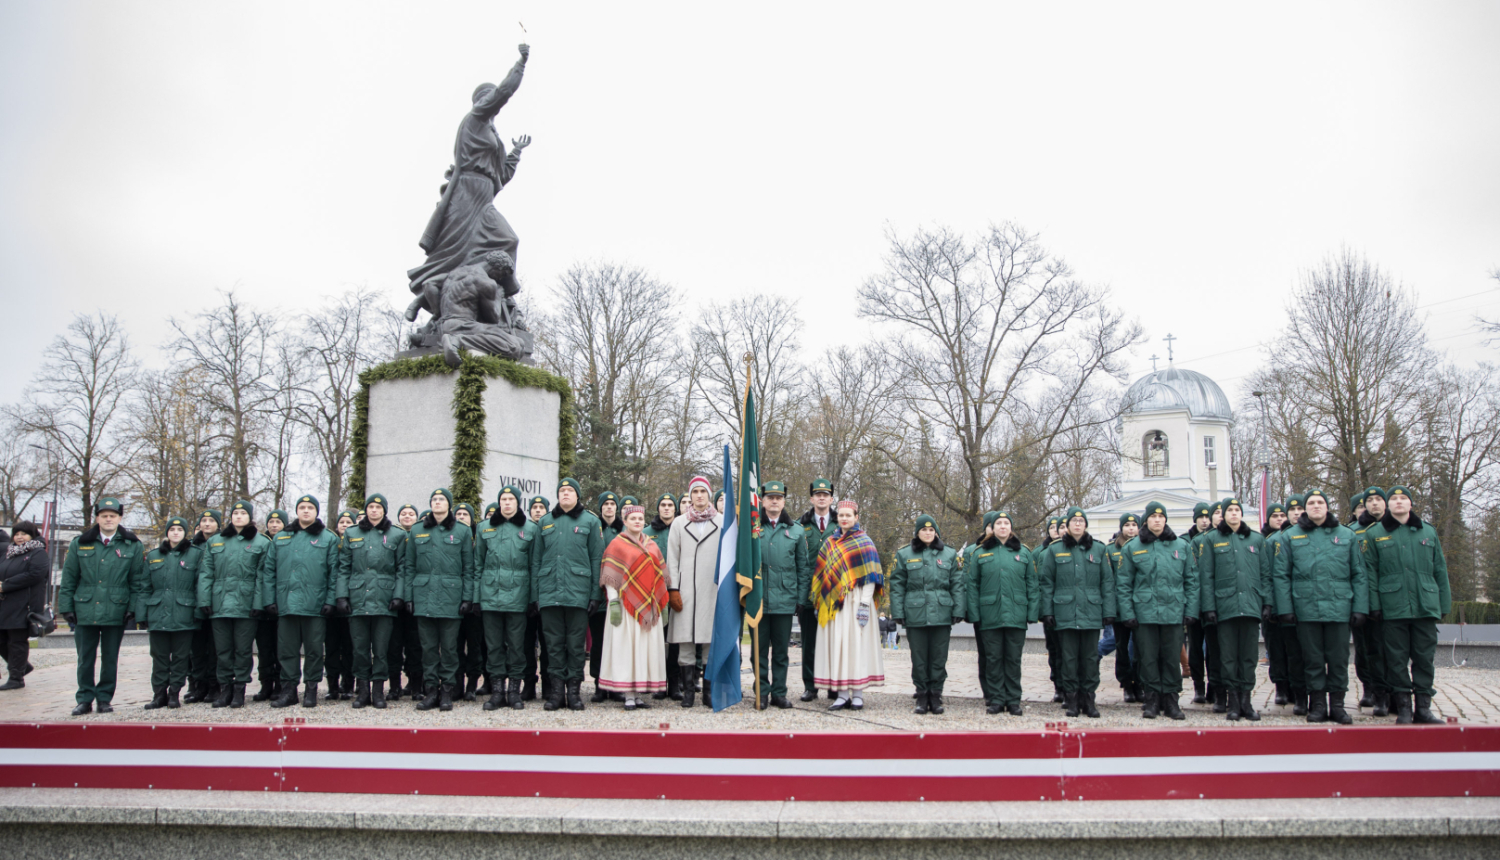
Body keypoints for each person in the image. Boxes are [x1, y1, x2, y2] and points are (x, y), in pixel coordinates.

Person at [1273, 489, 1368, 725]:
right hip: (1306, 608)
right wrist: (1285, 608)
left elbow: (1359, 574)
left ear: (1327, 507)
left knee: (1338, 659)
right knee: (1312, 659)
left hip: (1339, 607)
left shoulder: (1346, 535)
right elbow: (1282, 575)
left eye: (1320, 502)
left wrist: (1360, 607)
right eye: (1312, 503)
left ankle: (1337, 706)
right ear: (1306, 508)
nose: (1316, 506)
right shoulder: (1290, 536)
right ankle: (1316, 705)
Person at [1363, 485, 1450, 725]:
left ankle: (1423, 708)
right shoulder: (1375, 533)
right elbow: (1371, 572)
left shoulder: (1428, 532)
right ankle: (1403, 708)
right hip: (1393, 607)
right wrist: (1375, 605)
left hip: (1425, 605)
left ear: (1411, 504)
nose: (1399, 502)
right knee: (1396, 659)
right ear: (1388, 505)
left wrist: (1443, 603)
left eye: (1404, 498)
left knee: (1424, 659)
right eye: (1394, 499)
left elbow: (1440, 569)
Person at [58, 496, 146, 716]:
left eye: (112, 516)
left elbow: (136, 581)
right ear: (97, 518)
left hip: (116, 609)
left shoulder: (133, 545)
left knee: (110, 658)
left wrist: (132, 608)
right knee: (85, 658)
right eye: (104, 515)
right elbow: (69, 578)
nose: (108, 519)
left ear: (119, 518)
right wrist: (66, 607)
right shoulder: (80, 543)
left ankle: (104, 698)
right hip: (85, 609)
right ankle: (84, 699)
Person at [1115, 500, 1198, 721]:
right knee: (1148, 658)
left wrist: (1190, 610)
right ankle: (1151, 700)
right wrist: (1128, 613)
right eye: (1153, 516)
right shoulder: (1132, 547)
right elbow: (1124, 584)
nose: (1158, 520)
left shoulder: (1181, 546)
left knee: (1171, 658)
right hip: (1145, 613)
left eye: (1161, 517)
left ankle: (1171, 701)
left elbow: (1191, 581)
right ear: (1146, 520)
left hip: (1173, 612)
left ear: (1166, 520)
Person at [1038, 507, 1116, 719]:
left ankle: (1088, 700)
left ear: (1086, 525)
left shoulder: (1099, 550)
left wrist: (1109, 611)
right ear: (1068, 525)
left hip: (1091, 612)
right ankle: (1071, 700)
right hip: (1065, 612)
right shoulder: (1055, 550)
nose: (1078, 524)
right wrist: (1047, 611)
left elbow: (1107, 582)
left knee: (1090, 658)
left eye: (1082, 521)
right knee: (1069, 658)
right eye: (1074, 521)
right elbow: (1047, 583)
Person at [264, 494, 339, 709]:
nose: (306, 511)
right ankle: (288, 691)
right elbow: (269, 571)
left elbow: (334, 573)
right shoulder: (281, 538)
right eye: (302, 507)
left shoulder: (328, 538)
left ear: (317, 512)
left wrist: (330, 600)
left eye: (310, 508)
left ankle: (311, 690)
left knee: (314, 650)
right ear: (296, 511)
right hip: (286, 603)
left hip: (315, 606)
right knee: (287, 650)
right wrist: (270, 599)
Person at [405, 487, 476, 712]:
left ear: (449, 505)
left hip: (450, 598)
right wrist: (409, 596)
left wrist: (467, 597)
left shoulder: (463, 531)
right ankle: (431, 691)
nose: (437, 502)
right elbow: (409, 567)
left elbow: (469, 568)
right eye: (434, 499)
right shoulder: (417, 531)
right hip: (424, 597)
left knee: (449, 649)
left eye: (441, 499)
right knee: (427, 649)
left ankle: (447, 691)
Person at [1198, 498, 1268, 721]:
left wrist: (1267, 603)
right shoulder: (1211, 539)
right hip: (1224, 606)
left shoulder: (1256, 539)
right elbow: (1206, 576)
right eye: (1230, 510)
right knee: (1228, 657)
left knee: (1248, 656)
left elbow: (1266, 574)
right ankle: (1233, 703)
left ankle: (1246, 701)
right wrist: (1209, 607)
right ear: (1223, 515)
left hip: (1250, 606)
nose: (1234, 514)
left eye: (1237, 510)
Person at [536, 478, 604, 711]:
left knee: (576, 645)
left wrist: (595, 594)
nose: (565, 494)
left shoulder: (590, 522)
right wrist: (536, 596)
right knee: (553, 644)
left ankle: (574, 693)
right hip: (549, 592)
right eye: (561, 491)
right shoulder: (545, 521)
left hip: (578, 592)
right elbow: (536, 560)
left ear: (577, 495)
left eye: (569, 491)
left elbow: (597, 559)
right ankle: (556, 693)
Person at [336, 493, 407, 710]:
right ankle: (363, 690)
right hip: (357, 599)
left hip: (384, 600)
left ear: (385, 510)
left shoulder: (396, 535)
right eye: (370, 507)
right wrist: (341, 595)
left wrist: (398, 595)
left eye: (378, 507)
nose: (374, 510)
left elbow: (402, 568)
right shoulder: (351, 533)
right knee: (359, 649)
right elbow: (343, 567)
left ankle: (378, 691)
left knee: (381, 649)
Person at [812, 499, 885, 710]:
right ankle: (842, 695)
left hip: (857, 602)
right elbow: (822, 576)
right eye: (841, 515)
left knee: (857, 647)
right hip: (836, 605)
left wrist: (864, 605)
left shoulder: (865, 542)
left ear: (856, 517)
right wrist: (821, 603)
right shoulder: (830, 543)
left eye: (848, 515)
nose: (844, 518)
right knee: (838, 647)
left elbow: (872, 576)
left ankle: (858, 694)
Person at [197, 501, 270, 708]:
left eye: (243, 513)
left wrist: (258, 603)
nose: (238, 516)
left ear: (250, 517)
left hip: (246, 605)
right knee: (222, 651)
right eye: (235, 513)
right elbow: (206, 573)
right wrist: (204, 600)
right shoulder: (216, 542)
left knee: (243, 650)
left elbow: (261, 576)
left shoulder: (261, 543)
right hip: (219, 604)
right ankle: (225, 689)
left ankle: (239, 690)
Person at [599, 503, 670, 708]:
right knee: (627, 649)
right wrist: (613, 602)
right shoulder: (617, 544)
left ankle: (638, 693)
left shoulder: (652, 545)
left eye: (640, 519)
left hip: (649, 606)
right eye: (633, 519)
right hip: (626, 606)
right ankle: (628, 695)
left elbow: (661, 576)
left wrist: (662, 604)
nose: (637, 522)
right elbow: (610, 576)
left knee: (644, 649)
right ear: (626, 521)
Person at [891, 514, 963, 715]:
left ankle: (936, 694)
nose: (928, 533)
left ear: (936, 532)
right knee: (919, 657)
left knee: (939, 657)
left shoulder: (949, 554)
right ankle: (922, 694)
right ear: (917, 532)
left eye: (931, 530)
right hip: (916, 613)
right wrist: (897, 611)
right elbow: (897, 584)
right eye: (924, 530)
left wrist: (958, 609)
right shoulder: (904, 554)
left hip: (942, 613)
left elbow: (957, 583)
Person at [476, 486, 540, 710]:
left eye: (511, 499)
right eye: (503, 499)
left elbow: (534, 566)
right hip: (490, 596)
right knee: (493, 646)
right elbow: (477, 565)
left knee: (516, 646)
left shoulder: (530, 529)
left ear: (518, 502)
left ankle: (514, 691)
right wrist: (477, 598)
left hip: (518, 596)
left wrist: (533, 599)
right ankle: (497, 692)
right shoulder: (484, 528)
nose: (507, 503)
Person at [967, 511, 1035, 715]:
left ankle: (1013, 700)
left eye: (1006, 523)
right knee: (994, 659)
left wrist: (1032, 613)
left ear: (1011, 527)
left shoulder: (1023, 552)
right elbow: (972, 585)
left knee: (1013, 659)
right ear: (992, 528)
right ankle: (996, 699)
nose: (1003, 526)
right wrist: (974, 614)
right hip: (990, 615)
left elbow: (1032, 583)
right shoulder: (980, 553)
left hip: (1016, 614)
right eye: (999, 523)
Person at [666, 476, 722, 708]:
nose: (699, 495)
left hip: (712, 590)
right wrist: (673, 589)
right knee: (685, 642)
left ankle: (707, 692)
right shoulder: (679, 523)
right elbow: (673, 558)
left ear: (709, 494)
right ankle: (688, 691)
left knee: (710, 643)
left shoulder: (722, 521)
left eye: (703, 491)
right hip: (686, 590)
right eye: (695, 491)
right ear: (690, 495)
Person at [139, 517, 203, 710]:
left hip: (184, 614)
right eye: (172, 529)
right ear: (167, 532)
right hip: (158, 614)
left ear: (186, 533)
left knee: (181, 657)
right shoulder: (153, 556)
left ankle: (174, 693)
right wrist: (142, 615)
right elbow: (144, 587)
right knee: (159, 656)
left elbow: (200, 585)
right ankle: (159, 695)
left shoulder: (195, 555)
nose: (175, 532)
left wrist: (199, 612)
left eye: (180, 529)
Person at [756, 481, 809, 709]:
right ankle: (761, 693)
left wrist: (801, 598)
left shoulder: (796, 530)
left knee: (780, 652)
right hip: (757, 600)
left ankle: (779, 693)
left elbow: (803, 568)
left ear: (784, 501)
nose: (774, 501)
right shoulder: (752, 527)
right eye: (770, 497)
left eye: (779, 497)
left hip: (785, 600)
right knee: (758, 652)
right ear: (763, 501)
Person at [796, 477, 839, 701]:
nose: (821, 498)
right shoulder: (799, 525)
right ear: (811, 498)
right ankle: (810, 686)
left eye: (826, 494)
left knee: (833, 641)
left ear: (831, 499)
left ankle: (833, 685)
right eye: (817, 494)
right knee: (809, 643)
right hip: (808, 593)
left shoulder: (841, 524)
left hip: (834, 593)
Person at [1351, 487, 1391, 716]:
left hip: (1389, 599)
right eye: (1369, 501)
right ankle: (1373, 690)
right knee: (1367, 649)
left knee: (1393, 651)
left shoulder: (1393, 527)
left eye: (1379, 499)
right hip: (1363, 600)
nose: (1374, 504)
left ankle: (1394, 693)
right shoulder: (1352, 532)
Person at [0, 521, 47, 690]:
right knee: (2, 640)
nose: (20, 537)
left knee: (17, 641)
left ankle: (16, 678)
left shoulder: (38, 552)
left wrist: (5, 585)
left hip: (23, 604)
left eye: (24, 534)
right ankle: (22, 667)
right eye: (17, 534)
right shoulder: (9, 553)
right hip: (5, 603)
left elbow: (34, 575)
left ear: (32, 535)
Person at [645, 492, 681, 701]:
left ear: (675, 509)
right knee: (657, 640)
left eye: (670, 505)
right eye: (663, 505)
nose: (666, 508)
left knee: (674, 640)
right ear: (658, 509)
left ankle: (674, 684)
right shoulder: (647, 532)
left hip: (676, 591)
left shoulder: (681, 529)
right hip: (654, 594)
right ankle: (658, 683)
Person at [387, 503, 425, 700]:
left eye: (411, 514)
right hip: (393, 599)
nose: (407, 516)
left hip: (415, 599)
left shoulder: (420, 536)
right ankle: (394, 686)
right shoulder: (391, 535)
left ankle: (416, 684)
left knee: (415, 645)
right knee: (393, 645)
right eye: (403, 513)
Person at [184, 508, 222, 703]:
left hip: (216, 603)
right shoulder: (190, 547)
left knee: (215, 648)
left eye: (211, 520)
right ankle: (198, 686)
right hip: (194, 604)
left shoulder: (223, 543)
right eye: (204, 520)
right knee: (196, 649)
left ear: (218, 524)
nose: (207, 524)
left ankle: (215, 686)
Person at [322, 508, 360, 701]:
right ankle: (332, 686)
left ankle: (348, 684)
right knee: (331, 648)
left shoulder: (357, 543)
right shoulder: (330, 543)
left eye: (348, 522)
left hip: (350, 604)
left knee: (349, 647)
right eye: (342, 522)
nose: (345, 525)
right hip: (331, 605)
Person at [589, 491, 623, 703]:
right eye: (606, 504)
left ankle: (617, 685)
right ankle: (599, 684)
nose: (609, 507)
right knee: (599, 643)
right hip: (598, 598)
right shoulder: (594, 528)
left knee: (617, 643)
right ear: (601, 507)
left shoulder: (624, 530)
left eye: (612, 504)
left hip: (619, 596)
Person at [452, 501, 487, 701]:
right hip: (454, 600)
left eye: (465, 514)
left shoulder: (478, 536)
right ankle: (457, 684)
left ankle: (472, 684)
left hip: (474, 602)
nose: (461, 517)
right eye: (458, 513)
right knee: (455, 645)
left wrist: (476, 599)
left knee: (474, 645)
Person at [1106, 513, 1142, 703]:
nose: (1130, 528)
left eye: (1134, 525)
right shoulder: (1112, 550)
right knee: (1122, 648)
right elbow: (1108, 581)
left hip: (1141, 606)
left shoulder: (1145, 546)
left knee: (1140, 648)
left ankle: (1140, 683)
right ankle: (1127, 684)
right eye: (1127, 525)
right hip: (1120, 608)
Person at [1259, 501, 1292, 707]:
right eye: (1275, 516)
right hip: (1271, 606)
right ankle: (1280, 687)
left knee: (1293, 649)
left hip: (1290, 605)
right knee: (1276, 649)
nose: (1279, 519)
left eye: (1282, 515)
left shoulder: (1291, 538)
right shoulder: (1263, 541)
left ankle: (1295, 687)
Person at [254, 508, 288, 702]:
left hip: (282, 605)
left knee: (281, 649)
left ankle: (280, 684)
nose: (274, 525)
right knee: (264, 649)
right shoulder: (261, 542)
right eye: (271, 521)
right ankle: (266, 684)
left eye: (278, 522)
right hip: (263, 606)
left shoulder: (286, 543)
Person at [1184, 502, 1215, 706]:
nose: (1204, 521)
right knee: (1195, 648)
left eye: (1207, 517)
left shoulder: (1215, 539)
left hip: (1213, 603)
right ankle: (1198, 686)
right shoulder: (1185, 541)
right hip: (1194, 602)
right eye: (1200, 517)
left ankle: (1214, 685)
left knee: (1214, 648)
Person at [521, 493, 551, 700]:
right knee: (525, 642)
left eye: (542, 507)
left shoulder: (550, 529)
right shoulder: (524, 529)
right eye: (534, 507)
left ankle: (549, 684)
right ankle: (528, 682)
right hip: (524, 595)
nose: (538, 510)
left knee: (548, 642)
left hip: (547, 594)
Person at [1038, 516, 1065, 704]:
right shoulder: (1040, 553)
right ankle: (1058, 686)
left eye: (1062, 526)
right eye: (1054, 527)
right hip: (1050, 608)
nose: (1057, 530)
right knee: (1054, 649)